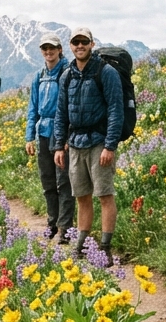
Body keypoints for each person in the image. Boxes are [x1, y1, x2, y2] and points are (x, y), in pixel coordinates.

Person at [52, 27, 122, 257]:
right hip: (75, 143)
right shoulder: (67, 75)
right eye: (76, 42)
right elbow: (61, 112)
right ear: (70, 46)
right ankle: (81, 244)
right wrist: (59, 144)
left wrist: (110, 145)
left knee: (104, 194)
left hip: (99, 141)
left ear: (91, 44)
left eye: (84, 42)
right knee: (81, 196)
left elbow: (115, 109)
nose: (80, 46)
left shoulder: (106, 72)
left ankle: (105, 248)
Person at [25, 32, 75, 244]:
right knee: (48, 181)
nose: (48, 51)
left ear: (59, 49)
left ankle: (65, 227)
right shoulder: (39, 75)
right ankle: (52, 223)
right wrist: (30, 136)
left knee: (63, 182)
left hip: (60, 131)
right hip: (44, 132)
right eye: (45, 48)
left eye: (52, 47)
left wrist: (65, 136)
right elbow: (32, 108)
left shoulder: (67, 71)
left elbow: (70, 107)